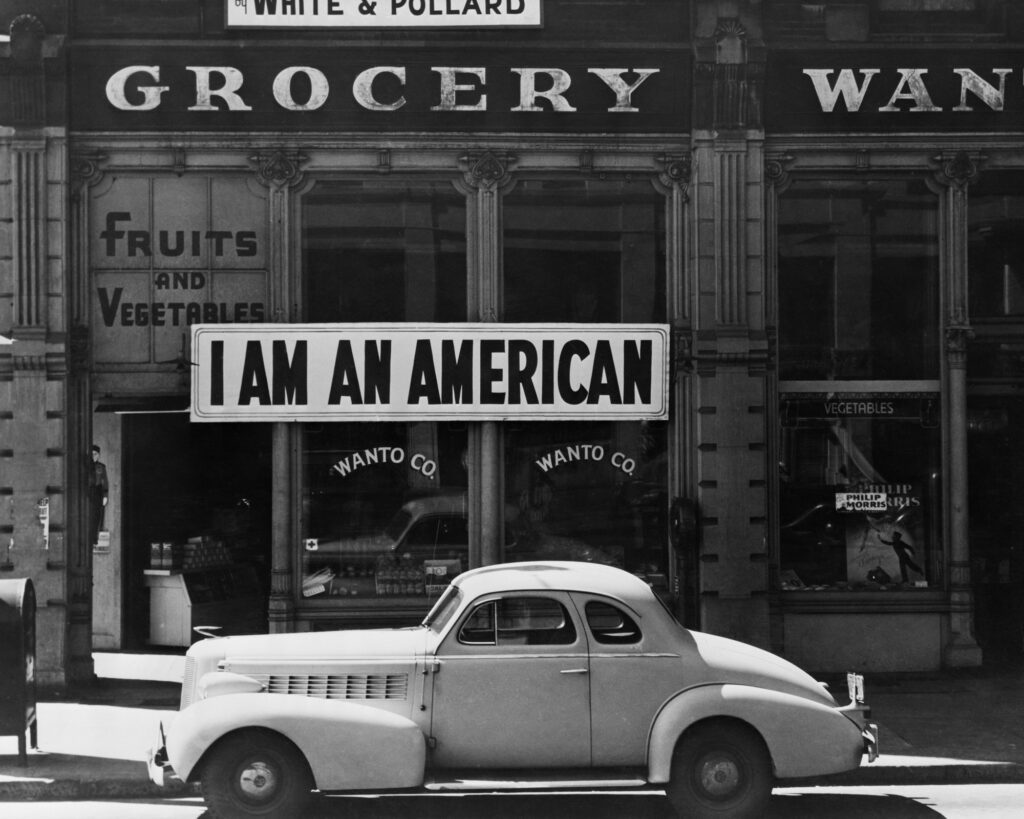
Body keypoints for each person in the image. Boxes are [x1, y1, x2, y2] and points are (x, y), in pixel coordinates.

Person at [89, 444, 109, 546]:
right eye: (91, 454)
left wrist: (105, 496)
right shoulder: (85, 466)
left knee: (96, 516)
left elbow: (105, 482)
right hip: (87, 493)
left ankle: (94, 538)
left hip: (97, 492)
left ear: (99, 455)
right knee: (88, 516)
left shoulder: (101, 467)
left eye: (95, 454)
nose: (93, 456)